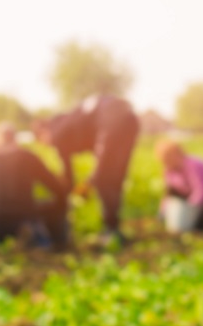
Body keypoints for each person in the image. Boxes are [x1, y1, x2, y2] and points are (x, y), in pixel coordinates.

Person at [33, 95, 140, 242]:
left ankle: (111, 232)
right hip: (130, 120)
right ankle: (114, 230)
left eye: (42, 141)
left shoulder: (56, 132)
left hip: (110, 118)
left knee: (104, 179)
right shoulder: (67, 122)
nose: (47, 145)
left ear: (43, 132)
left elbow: (69, 175)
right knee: (115, 178)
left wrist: (85, 184)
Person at [0, 123, 69, 248]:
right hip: (24, 217)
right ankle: (55, 242)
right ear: (15, 140)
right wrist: (62, 208)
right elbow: (57, 188)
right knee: (52, 205)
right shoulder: (28, 157)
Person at [154, 139, 203, 230]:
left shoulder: (193, 165)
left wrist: (189, 209)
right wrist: (163, 212)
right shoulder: (169, 170)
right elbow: (168, 194)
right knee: (171, 191)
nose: (165, 162)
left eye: (167, 158)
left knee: (200, 226)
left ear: (176, 154)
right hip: (191, 196)